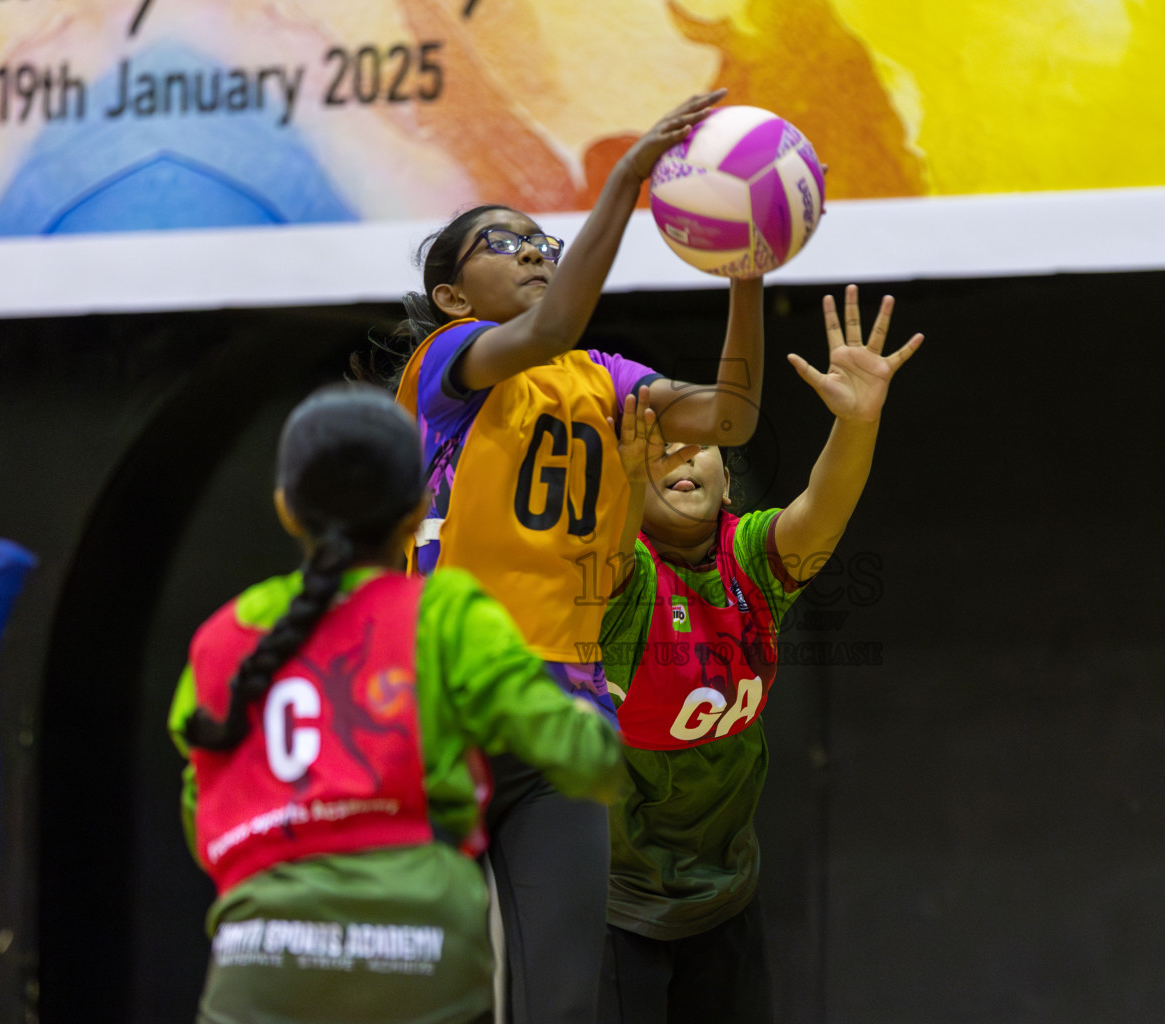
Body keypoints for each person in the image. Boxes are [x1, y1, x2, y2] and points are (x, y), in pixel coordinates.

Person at [380, 89, 766, 1023]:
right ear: (450, 295)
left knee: (561, 1006)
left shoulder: (607, 379)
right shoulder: (449, 362)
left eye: (543, 243)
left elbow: (731, 417)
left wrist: (747, 277)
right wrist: (628, 178)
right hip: (448, 698)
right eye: (504, 243)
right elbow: (549, 327)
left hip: (566, 711)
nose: (534, 253)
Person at [167, 385, 622, 1024]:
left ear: (285, 510)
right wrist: (583, 715)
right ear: (420, 509)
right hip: (422, 958)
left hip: (260, 964)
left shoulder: (224, 635)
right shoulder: (447, 614)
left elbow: (200, 811)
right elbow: (586, 765)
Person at [598, 285, 923, 1023]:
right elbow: (612, 544)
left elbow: (825, 507)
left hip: (725, 891)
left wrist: (857, 423)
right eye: (661, 447)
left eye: (701, 443)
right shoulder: (621, 573)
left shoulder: (751, 555)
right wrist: (617, 474)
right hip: (617, 900)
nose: (686, 454)